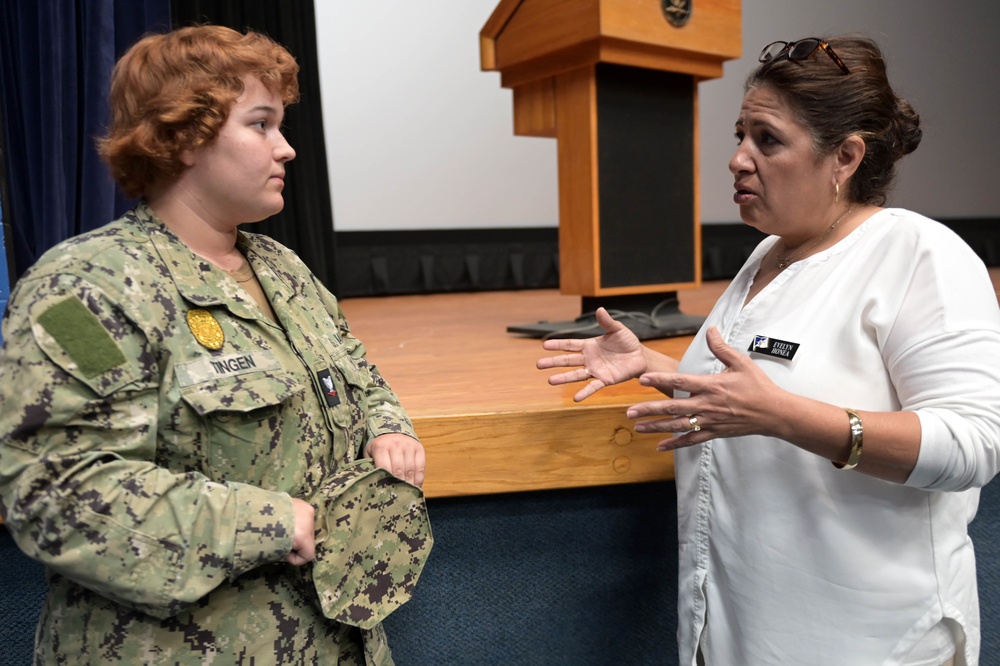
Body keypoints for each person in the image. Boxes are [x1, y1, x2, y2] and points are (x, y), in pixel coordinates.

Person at [538, 36, 1000, 666]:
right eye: (740, 135)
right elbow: (754, 398)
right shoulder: (769, 255)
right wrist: (660, 369)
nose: (737, 159)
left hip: (872, 642)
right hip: (740, 630)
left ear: (845, 156)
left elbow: (973, 446)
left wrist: (782, 415)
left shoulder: (920, 254)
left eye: (767, 140)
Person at [0, 25, 431, 665]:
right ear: (183, 137)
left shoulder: (283, 270)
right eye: (261, 124)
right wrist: (263, 524)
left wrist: (390, 427)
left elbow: (355, 370)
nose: (285, 149)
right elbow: (56, 491)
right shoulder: (84, 293)